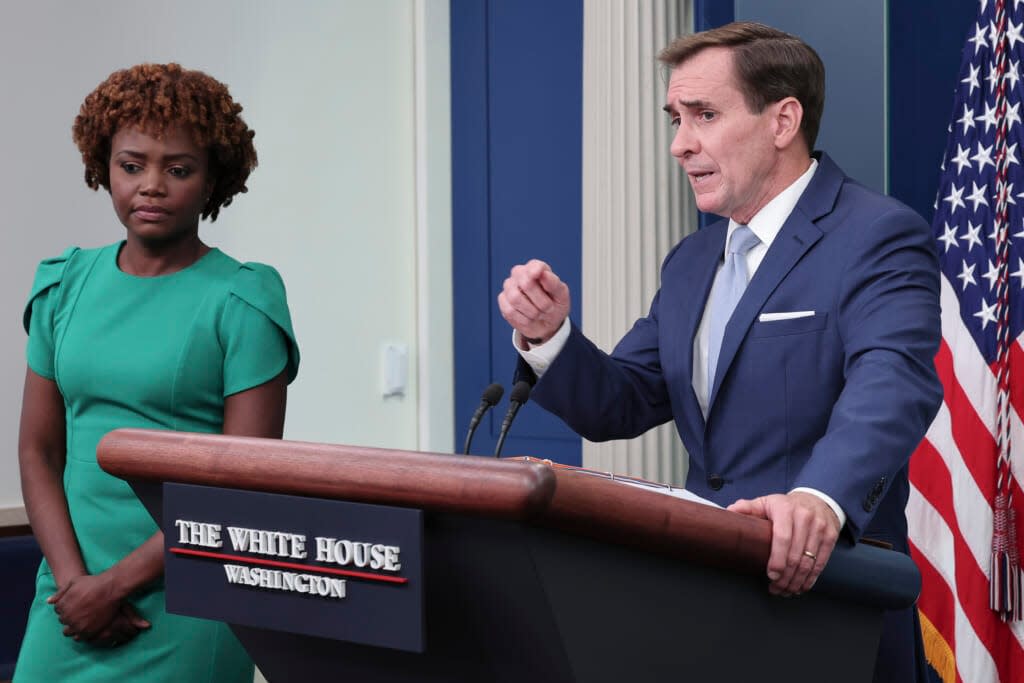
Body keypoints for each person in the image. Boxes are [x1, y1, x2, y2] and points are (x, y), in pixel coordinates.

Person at [498, 22, 941, 682]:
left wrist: (818, 499)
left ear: (783, 119)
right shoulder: (691, 260)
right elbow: (622, 400)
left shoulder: (877, 235)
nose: (681, 144)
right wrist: (550, 336)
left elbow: (890, 384)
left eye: (704, 115)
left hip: (830, 604)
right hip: (705, 604)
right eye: (676, 118)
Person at [14, 63, 300, 682]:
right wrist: (74, 584)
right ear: (103, 167)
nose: (151, 186)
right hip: (68, 593)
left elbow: (243, 485)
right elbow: (38, 450)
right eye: (131, 164)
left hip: (190, 599)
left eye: (178, 169)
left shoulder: (243, 300)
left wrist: (116, 585)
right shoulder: (62, 286)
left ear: (211, 180)